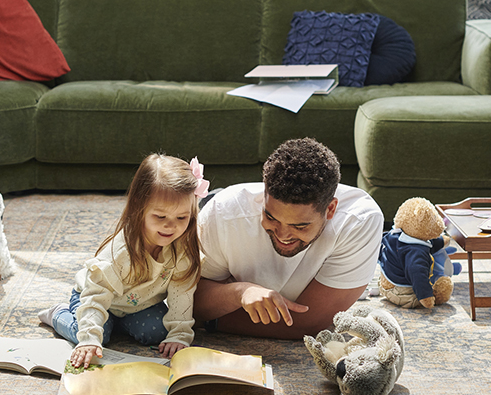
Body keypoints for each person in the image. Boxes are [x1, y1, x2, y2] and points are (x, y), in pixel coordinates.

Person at [193, 137, 384, 340]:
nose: (283, 235)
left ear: (330, 209)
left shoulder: (360, 221)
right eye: (270, 217)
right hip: (215, 204)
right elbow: (188, 303)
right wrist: (240, 293)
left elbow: (308, 323)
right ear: (264, 194)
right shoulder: (223, 212)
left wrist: (212, 321)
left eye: (299, 226)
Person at [38, 154, 210, 367]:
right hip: (96, 297)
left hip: (138, 304)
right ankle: (58, 314)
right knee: (95, 337)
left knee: (158, 332)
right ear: (140, 207)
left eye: (181, 218)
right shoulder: (119, 253)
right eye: (160, 217)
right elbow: (96, 297)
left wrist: (179, 335)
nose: (170, 226)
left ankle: (117, 324)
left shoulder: (182, 247)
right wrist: (90, 338)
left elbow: (181, 293)